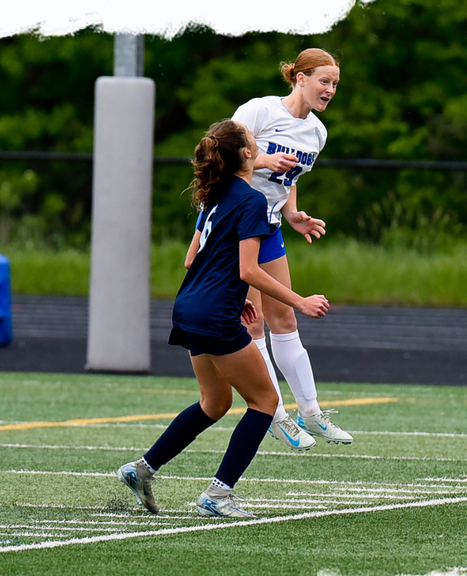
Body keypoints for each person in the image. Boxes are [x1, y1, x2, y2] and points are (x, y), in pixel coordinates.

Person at [117, 119, 330, 518]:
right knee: (265, 401)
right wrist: (299, 302)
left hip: (191, 305)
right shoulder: (250, 200)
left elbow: (194, 258)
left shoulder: (215, 195)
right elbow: (249, 270)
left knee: (215, 402)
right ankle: (218, 495)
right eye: (253, 140)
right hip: (213, 311)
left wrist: (233, 300)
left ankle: (142, 469)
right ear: (248, 154)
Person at [227, 47, 351, 450]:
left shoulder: (317, 131)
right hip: (236, 224)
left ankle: (311, 412)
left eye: (334, 83)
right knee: (254, 322)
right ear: (299, 78)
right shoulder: (260, 111)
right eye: (324, 81)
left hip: (270, 224)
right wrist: (263, 160)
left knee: (286, 321)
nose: (330, 89)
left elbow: (290, 176)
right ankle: (275, 414)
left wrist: (293, 212)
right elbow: (222, 155)